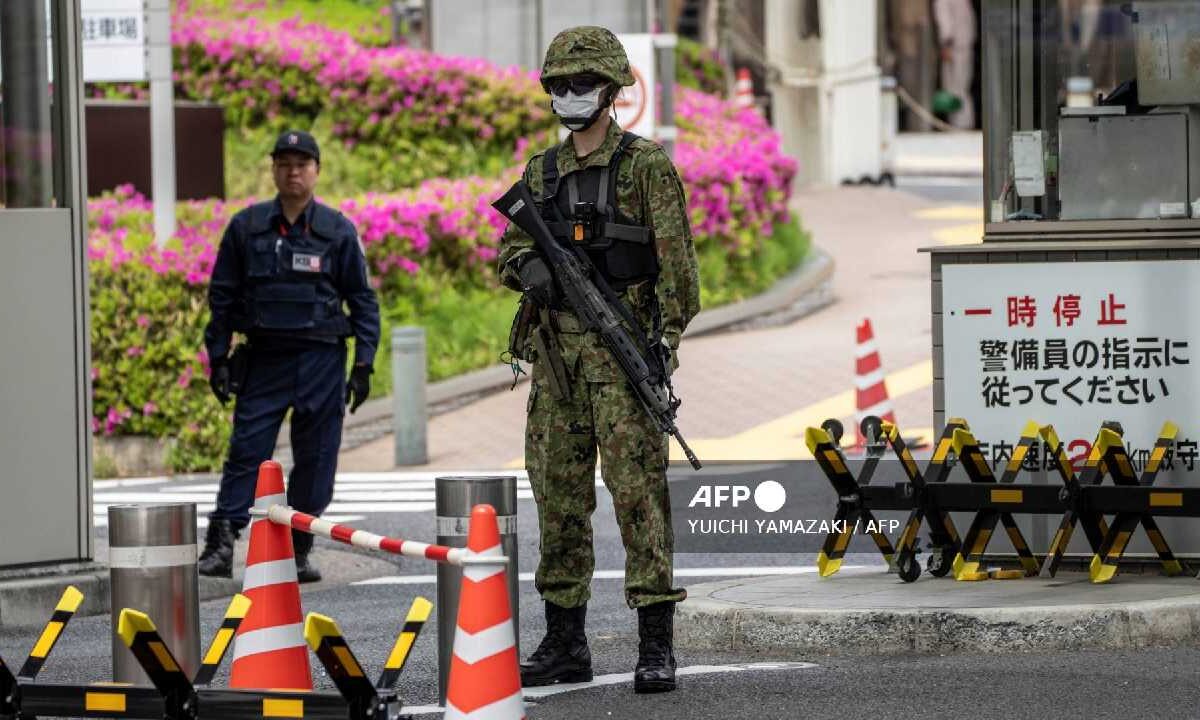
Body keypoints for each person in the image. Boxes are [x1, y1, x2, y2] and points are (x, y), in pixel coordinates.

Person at [496, 26, 701, 694]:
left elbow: (681, 278)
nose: (569, 95)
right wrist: (533, 271)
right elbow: (505, 253)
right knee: (558, 499)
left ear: (611, 90)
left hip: (622, 362)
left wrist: (661, 348)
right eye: (559, 84)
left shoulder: (646, 168)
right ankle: (564, 641)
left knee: (640, 500)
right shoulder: (540, 173)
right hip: (556, 364)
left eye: (582, 84)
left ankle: (654, 643)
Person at [198, 130, 380, 583]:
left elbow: (362, 300)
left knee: (317, 456)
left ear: (316, 170)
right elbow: (221, 297)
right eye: (284, 163)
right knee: (247, 451)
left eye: (302, 163)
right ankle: (221, 543)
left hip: (321, 360)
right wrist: (218, 357)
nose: (293, 171)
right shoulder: (246, 227)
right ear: (273, 169)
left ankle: (298, 546)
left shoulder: (337, 230)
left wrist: (363, 365)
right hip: (265, 359)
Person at [933, 0, 978, 129]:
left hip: (954, 46)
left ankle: (960, 125)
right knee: (962, 87)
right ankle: (964, 123)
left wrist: (946, 44)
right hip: (965, 43)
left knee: (954, 88)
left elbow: (944, 21)